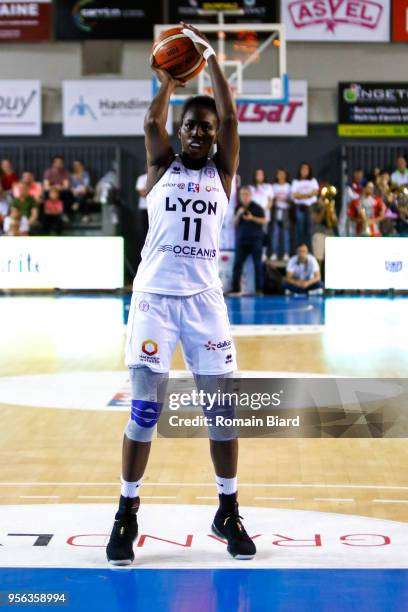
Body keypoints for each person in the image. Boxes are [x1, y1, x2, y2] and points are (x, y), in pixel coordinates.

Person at [106, 22, 256, 566]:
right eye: (190, 125)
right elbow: (151, 120)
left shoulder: (223, 172)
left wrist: (211, 57)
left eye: (205, 127)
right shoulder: (160, 164)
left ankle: (228, 508)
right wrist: (167, 79)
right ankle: (127, 512)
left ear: (215, 135)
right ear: (181, 130)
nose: (197, 132)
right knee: (145, 411)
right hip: (152, 301)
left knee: (222, 413)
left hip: (203, 304)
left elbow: (233, 115)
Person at [230, 186, 267, 295]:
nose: (244, 197)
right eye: (242, 195)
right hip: (242, 241)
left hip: (256, 240)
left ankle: (259, 290)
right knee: (237, 265)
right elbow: (234, 223)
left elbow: (264, 220)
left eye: (246, 194)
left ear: (250, 195)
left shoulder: (257, 207)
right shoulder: (238, 208)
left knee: (258, 265)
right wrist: (238, 214)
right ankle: (236, 289)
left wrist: (252, 218)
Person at [291, 162, 319, 251]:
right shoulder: (296, 181)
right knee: (299, 230)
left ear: (309, 170)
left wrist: (302, 195)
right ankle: (299, 251)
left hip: (311, 208)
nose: (304, 171)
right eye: (302, 169)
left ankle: (310, 251)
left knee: (310, 229)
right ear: (300, 170)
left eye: (306, 169)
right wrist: (308, 195)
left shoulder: (313, 180)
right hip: (300, 207)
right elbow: (294, 195)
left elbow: (316, 192)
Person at [249, 168, 273, 257]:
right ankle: (253, 252)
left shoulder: (268, 187)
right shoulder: (251, 188)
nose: (259, 176)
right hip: (253, 215)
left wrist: (264, 210)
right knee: (253, 234)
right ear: (255, 176)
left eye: (261, 174)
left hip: (264, 215)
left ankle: (263, 253)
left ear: (264, 176)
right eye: (258, 174)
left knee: (264, 234)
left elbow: (270, 201)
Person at [271, 168, 291, 261]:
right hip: (276, 210)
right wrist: (276, 200)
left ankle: (286, 254)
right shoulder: (274, 186)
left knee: (286, 234)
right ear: (277, 175)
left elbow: (291, 200)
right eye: (279, 174)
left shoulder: (288, 186)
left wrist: (283, 200)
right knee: (275, 233)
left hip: (285, 211)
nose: (281, 176)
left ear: (285, 175)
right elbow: (271, 199)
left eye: (283, 174)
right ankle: (274, 253)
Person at [135, 166, 148, 243]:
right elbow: (141, 193)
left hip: (154, 208)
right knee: (144, 230)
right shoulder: (141, 178)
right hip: (144, 208)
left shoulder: (158, 177)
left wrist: (146, 189)